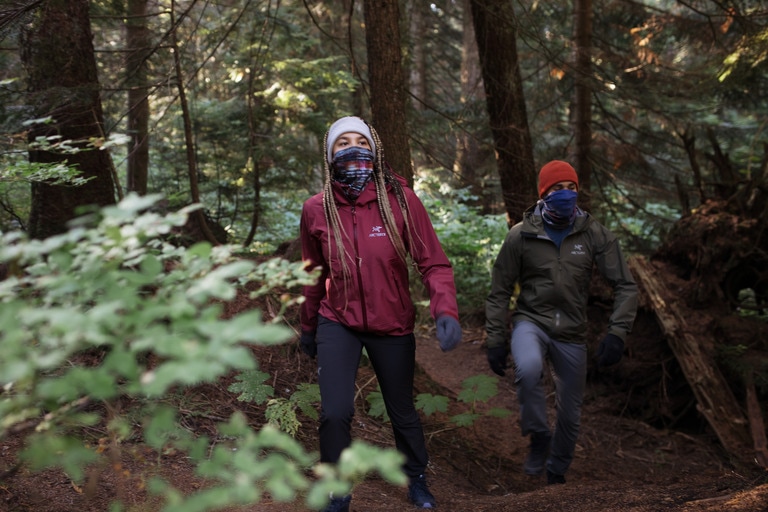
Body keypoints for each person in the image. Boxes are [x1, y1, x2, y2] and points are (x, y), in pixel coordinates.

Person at [299, 116, 462, 511]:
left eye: (361, 141)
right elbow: (311, 274)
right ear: (328, 154)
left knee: (401, 410)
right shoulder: (317, 209)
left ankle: (416, 478)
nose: (353, 149)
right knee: (335, 412)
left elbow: (434, 263)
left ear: (375, 149)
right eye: (342, 144)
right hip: (338, 320)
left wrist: (445, 310)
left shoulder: (401, 201)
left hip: (392, 323)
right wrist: (307, 327)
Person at [485, 160, 638, 485]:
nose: (566, 195)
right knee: (527, 368)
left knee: (571, 413)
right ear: (544, 194)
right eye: (558, 189)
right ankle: (539, 434)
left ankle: (556, 471)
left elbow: (625, 285)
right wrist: (495, 338)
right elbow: (499, 291)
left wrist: (617, 333)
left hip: (572, 331)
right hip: (531, 321)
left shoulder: (592, 232)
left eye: (571, 188)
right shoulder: (520, 235)